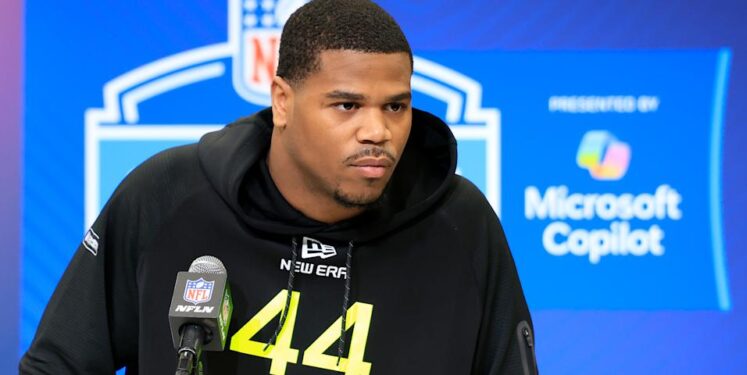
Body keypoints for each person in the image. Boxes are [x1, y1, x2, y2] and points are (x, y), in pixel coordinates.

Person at [20, 0, 537, 374]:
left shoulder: (461, 225)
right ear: (283, 102)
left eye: (395, 107)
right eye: (347, 105)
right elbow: (57, 365)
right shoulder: (167, 196)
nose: (377, 131)